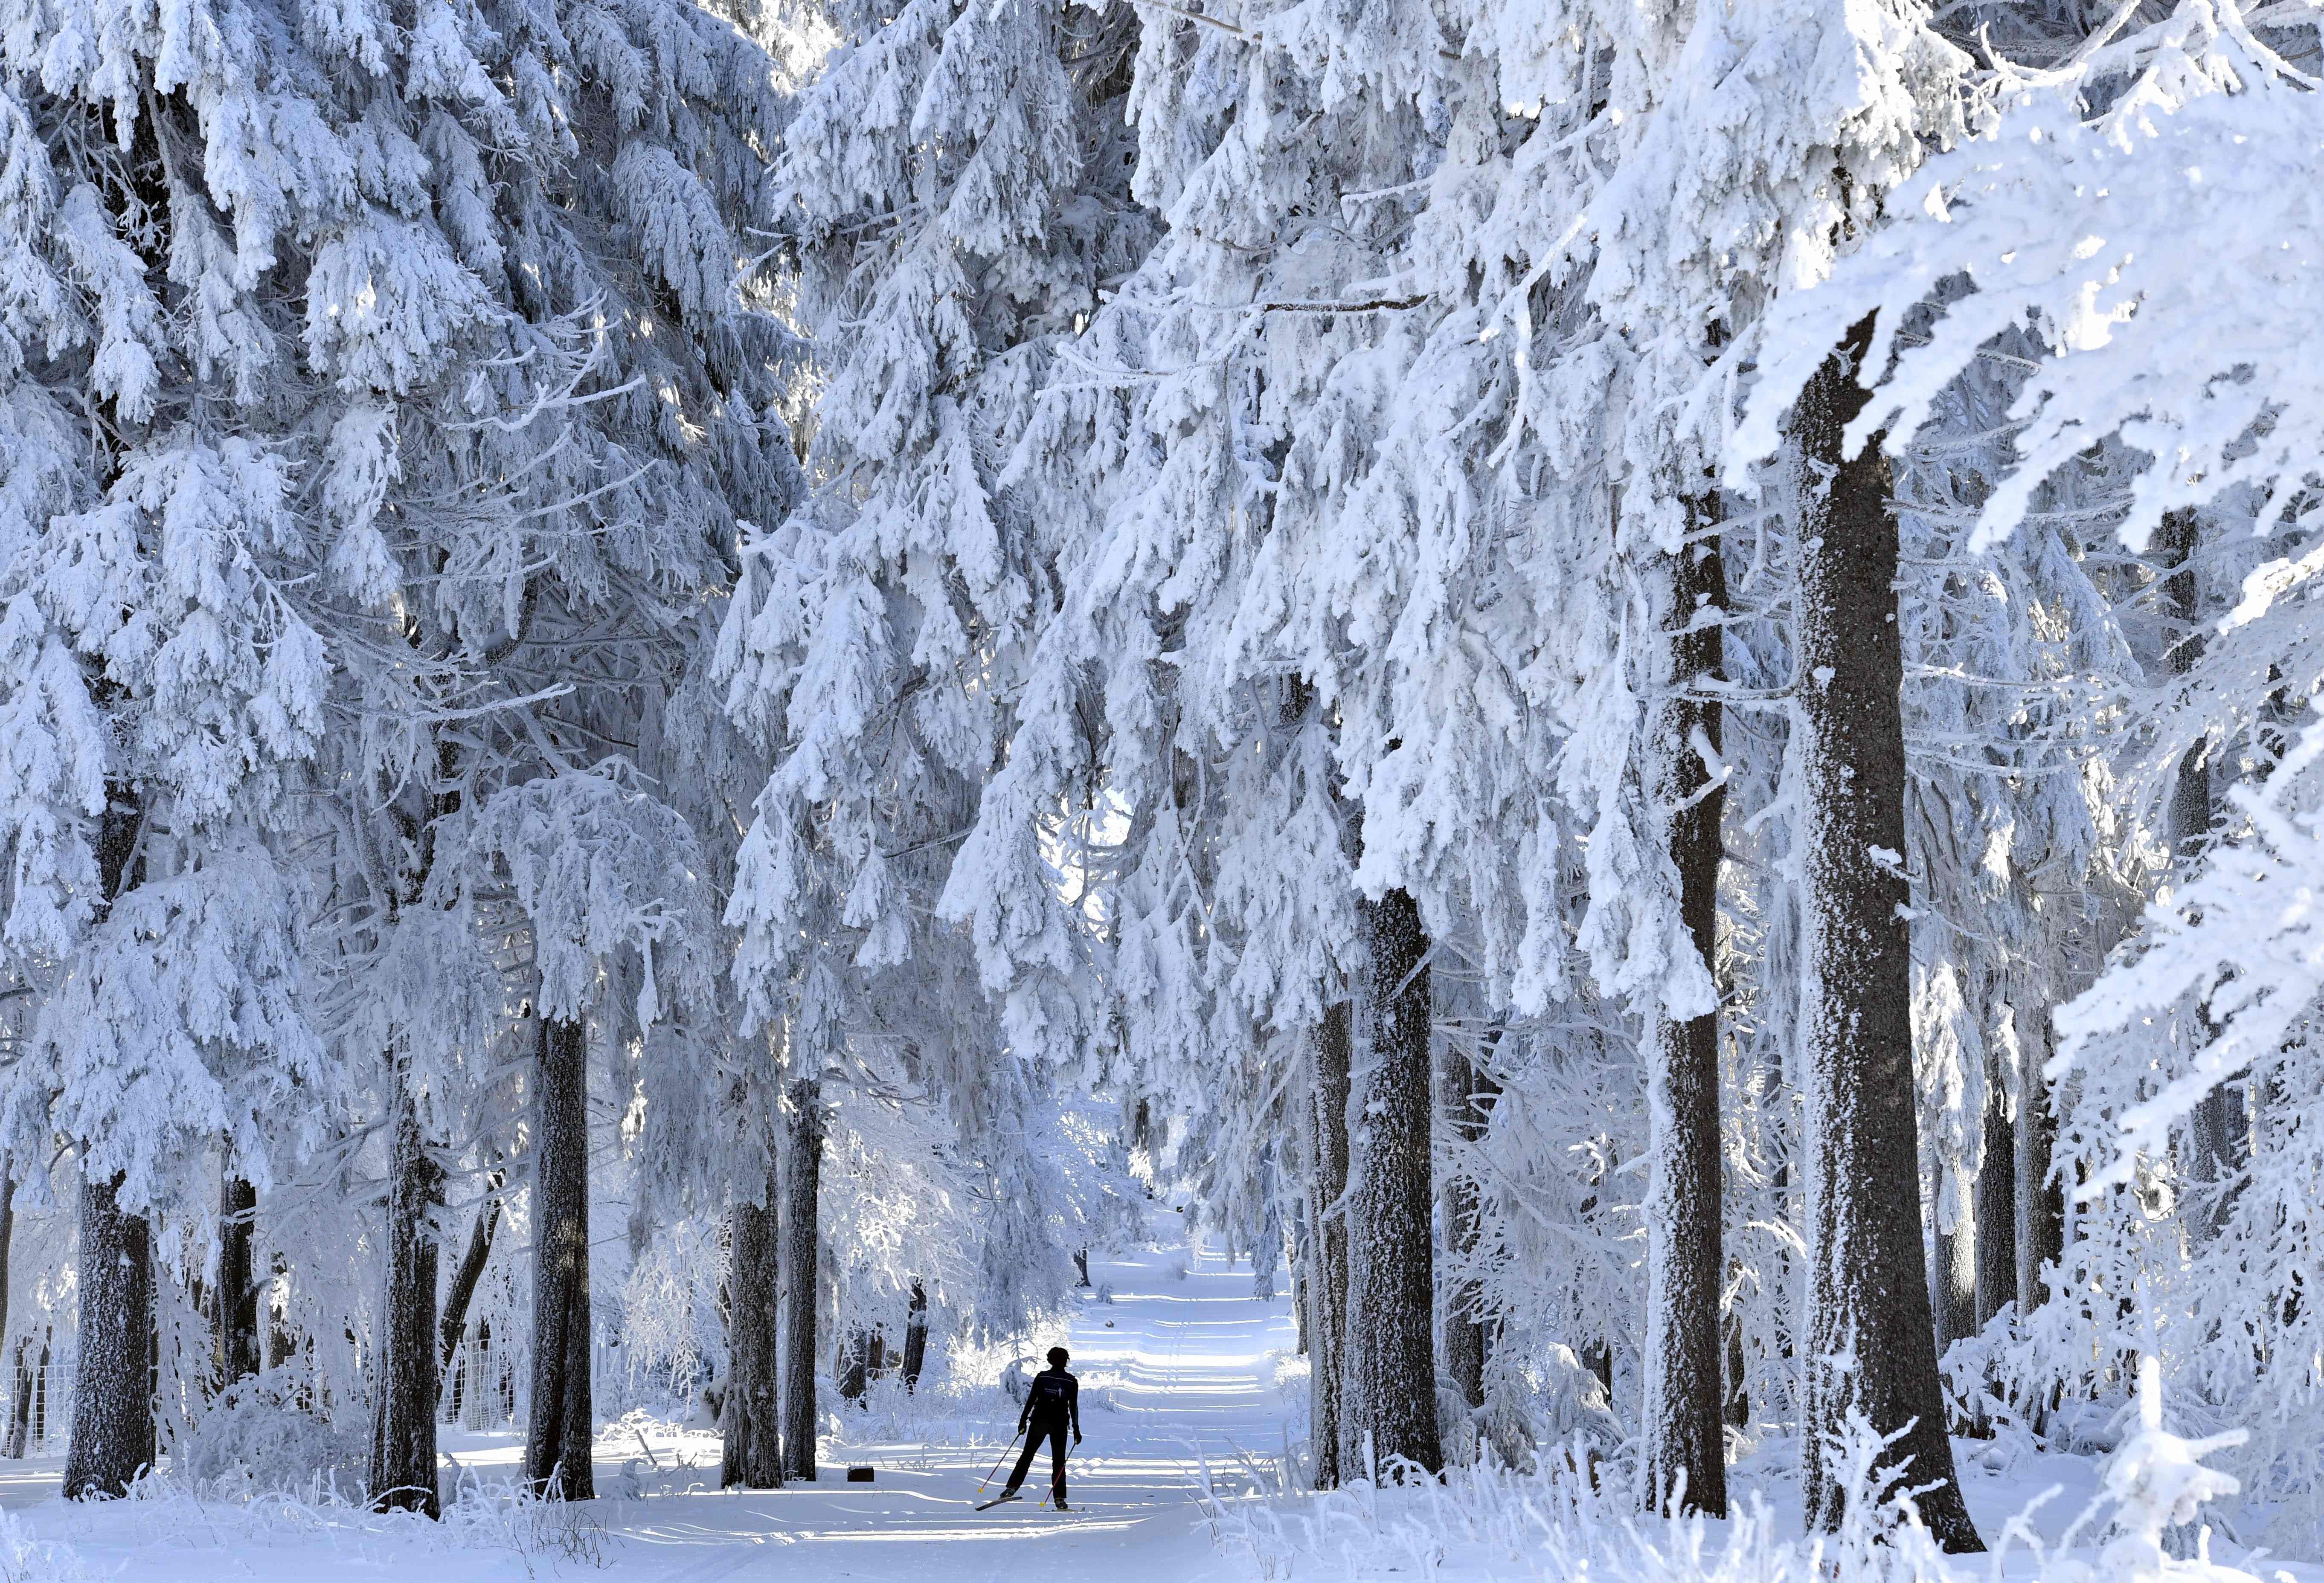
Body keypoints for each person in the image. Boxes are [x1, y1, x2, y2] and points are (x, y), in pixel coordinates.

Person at [995, 1346, 1081, 1509]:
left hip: (1039, 1422)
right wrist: (1076, 1429)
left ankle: (1010, 1489)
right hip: (1060, 1425)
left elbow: (1031, 1401)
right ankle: (1060, 1499)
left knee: (1027, 1456)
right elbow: (1073, 1407)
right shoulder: (1071, 1381)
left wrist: (1023, 1420)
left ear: (1049, 1360)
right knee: (1059, 1462)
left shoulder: (1042, 1377)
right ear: (1066, 1362)